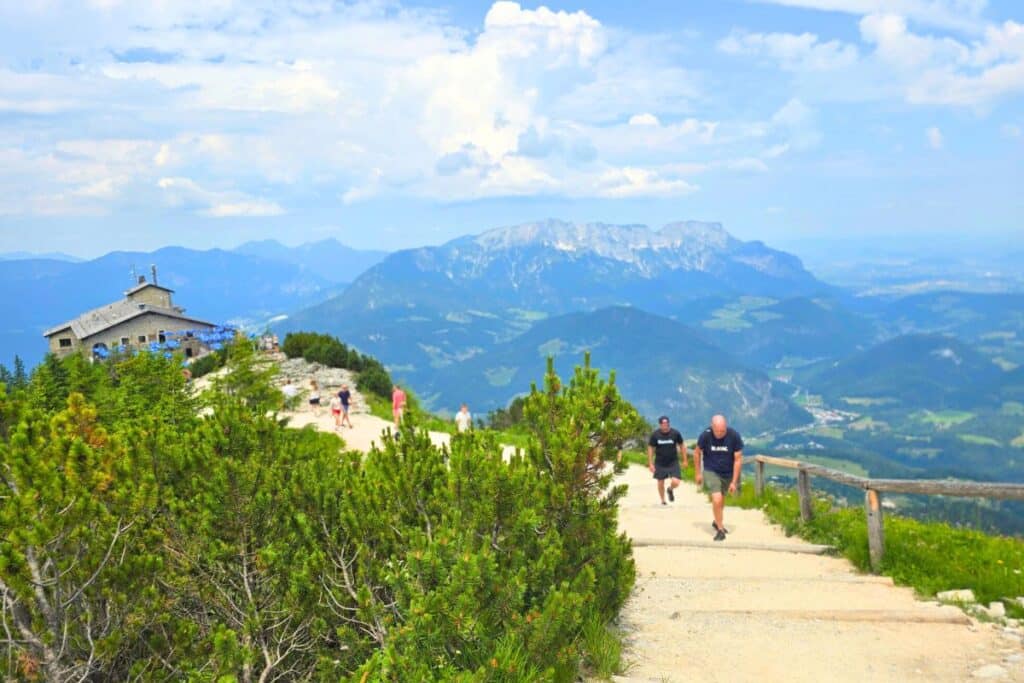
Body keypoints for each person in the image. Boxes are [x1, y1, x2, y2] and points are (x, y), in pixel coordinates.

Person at [694, 415, 744, 541]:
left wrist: (734, 481)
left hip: (727, 473)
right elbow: (696, 452)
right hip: (711, 471)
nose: (720, 434)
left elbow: (738, 460)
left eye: (723, 431)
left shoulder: (734, 436)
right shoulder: (705, 435)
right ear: (712, 427)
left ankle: (717, 521)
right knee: (716, 499)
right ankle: (720, 530)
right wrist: (698, 473)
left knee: (721, 500)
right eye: (718, 431)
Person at [647, 416, 685, 506]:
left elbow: (682, 445)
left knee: (676, 481)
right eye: (663, 424)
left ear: (668, 423)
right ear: (660, 424)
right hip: (660, 462)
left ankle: (670, 489)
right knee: (660, 482)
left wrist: (685, 460)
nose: (665, 425)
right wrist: (650, 463)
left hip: (673, 462)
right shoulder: (655, 435)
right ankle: (663, 500)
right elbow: (650, 447)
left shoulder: (675, 433)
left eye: (666, 423)